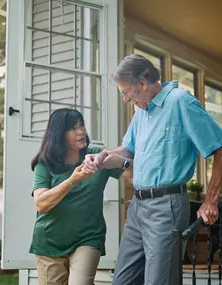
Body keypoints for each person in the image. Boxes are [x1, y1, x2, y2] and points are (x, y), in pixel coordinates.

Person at [83, 54, 222, 285]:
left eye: (126, 92)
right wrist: (103, 155)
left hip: (166, 207)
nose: (126, 99)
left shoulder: (181, 102)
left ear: (142, 83)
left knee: (158, 281)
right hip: (137, 207)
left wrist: (210, 200)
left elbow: (218, 147)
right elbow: (128, 151)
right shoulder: (141, 114)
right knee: (123, 281)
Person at [29, 108, 132, 285]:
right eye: (72, 129)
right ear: (58, 134)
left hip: (88, 237)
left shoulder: (95, 157)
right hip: (50, 240)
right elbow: (41, 204)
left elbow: (134, 174)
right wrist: (73, 180)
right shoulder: (45, 162)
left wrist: (123, 161)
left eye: (81, 125)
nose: (81, 132)